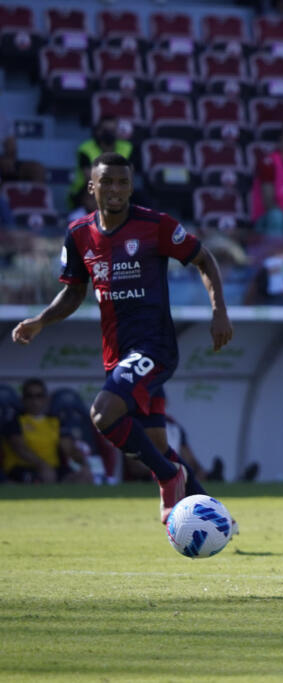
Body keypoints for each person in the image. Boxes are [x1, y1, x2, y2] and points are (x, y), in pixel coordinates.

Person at [10, 152, 235, 524]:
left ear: (131, 187)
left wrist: (219, 311)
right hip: (119, 354)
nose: (115, 189)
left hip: (155, 347)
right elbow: (72, 292)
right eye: (108, 182)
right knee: (158, 445)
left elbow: (203, 258)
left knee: (102, 413)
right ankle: (214, 518)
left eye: (123, 182)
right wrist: (41, 320)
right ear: (92, 186)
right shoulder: (79, 235)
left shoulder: (155, 225)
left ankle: (168, 478)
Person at [1, 378, 92, 484]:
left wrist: (84, 464)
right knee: (42, 478)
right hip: (22, 468)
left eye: (39, 396)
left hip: (52, 468)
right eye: (29, 396)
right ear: (23, 399)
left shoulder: (55, 421)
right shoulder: (14, 421)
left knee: (82, 478)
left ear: (46, 399)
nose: (34, 401)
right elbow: (20, 449)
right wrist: (42, 466)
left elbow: (68, 448)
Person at [68, 115, 133, 208]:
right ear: (98, 131)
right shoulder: (85, 149)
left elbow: (129, 174)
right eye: (106, 130)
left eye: (112, 130)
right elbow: (90, 176)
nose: (109, 133)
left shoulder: (127, 147)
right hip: (85, 191)